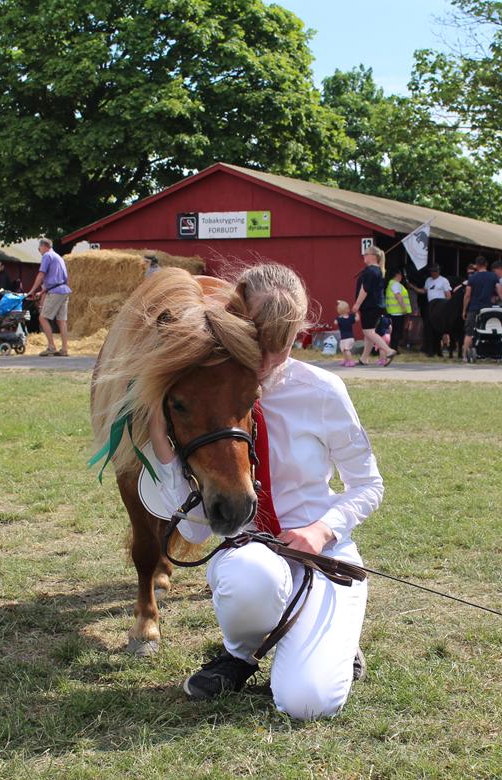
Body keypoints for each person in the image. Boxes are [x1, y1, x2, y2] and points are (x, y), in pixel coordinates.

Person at [145, 262, 382, 721]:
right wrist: (164, 452)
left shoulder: (323, 391)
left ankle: (333, 636)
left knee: (306, 703)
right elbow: (194, 529)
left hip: (320, 554)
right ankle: (240, 654)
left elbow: (369, 484)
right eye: (258, 340)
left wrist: (322, 529)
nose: (268, 361)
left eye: (283, 343)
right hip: (252, 552)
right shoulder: (207, 388)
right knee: (247, 574)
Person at [25, 238, 71, 357]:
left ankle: (51, 347)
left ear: (44, 246)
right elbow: (60, 278)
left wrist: (32, 291)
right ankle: (64, 349)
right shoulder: (59, 257)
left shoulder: (47, 256)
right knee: (61, 321)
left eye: (39, 248)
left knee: (42, 318)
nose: (39, 250)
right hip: (64, 290)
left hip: (55, 292)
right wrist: (42, 292)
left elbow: (41, 274)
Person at [350, 246, 396, 366]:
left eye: (366, 254)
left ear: (374, 257)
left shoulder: (370, 271)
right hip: (377, 305)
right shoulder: (378, 270)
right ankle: (364, 358)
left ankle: (389, 351)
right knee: (369, 332)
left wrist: (357, 304)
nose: (364, 256)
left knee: (368, 331)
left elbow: (364, 289)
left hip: (370, 306)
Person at [461, 258, 501, 363]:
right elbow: (499, 290)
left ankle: (465, 356)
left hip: (474, 308)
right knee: (488, 331)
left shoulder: (472, 278)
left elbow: (467, 295)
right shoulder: (493, 276)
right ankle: (490, 352)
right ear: (486, 264)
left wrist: (464, 310)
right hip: (487, 309)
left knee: (469, 332)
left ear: (476, 265)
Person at [384, 268, 411, 348]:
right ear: (397, 275)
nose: (401, 276)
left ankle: (393, 347)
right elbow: (398, 296)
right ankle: (394, 347)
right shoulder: (395, 284)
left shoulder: (391, 283)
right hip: (397, 312)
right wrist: (404, 308)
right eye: (400, 274)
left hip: (392, 311)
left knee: (394, 330)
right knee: (397, 331)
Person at [334, 299, 357, 367]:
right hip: (349, 337)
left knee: (346, 350)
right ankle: (346, 360)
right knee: (344, 350)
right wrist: (356, 313)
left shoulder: (339, 319)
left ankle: (350, 361)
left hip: (345, 338)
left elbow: (335, 323)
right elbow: (357, 319)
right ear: (347, 309)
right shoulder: (350, 317)